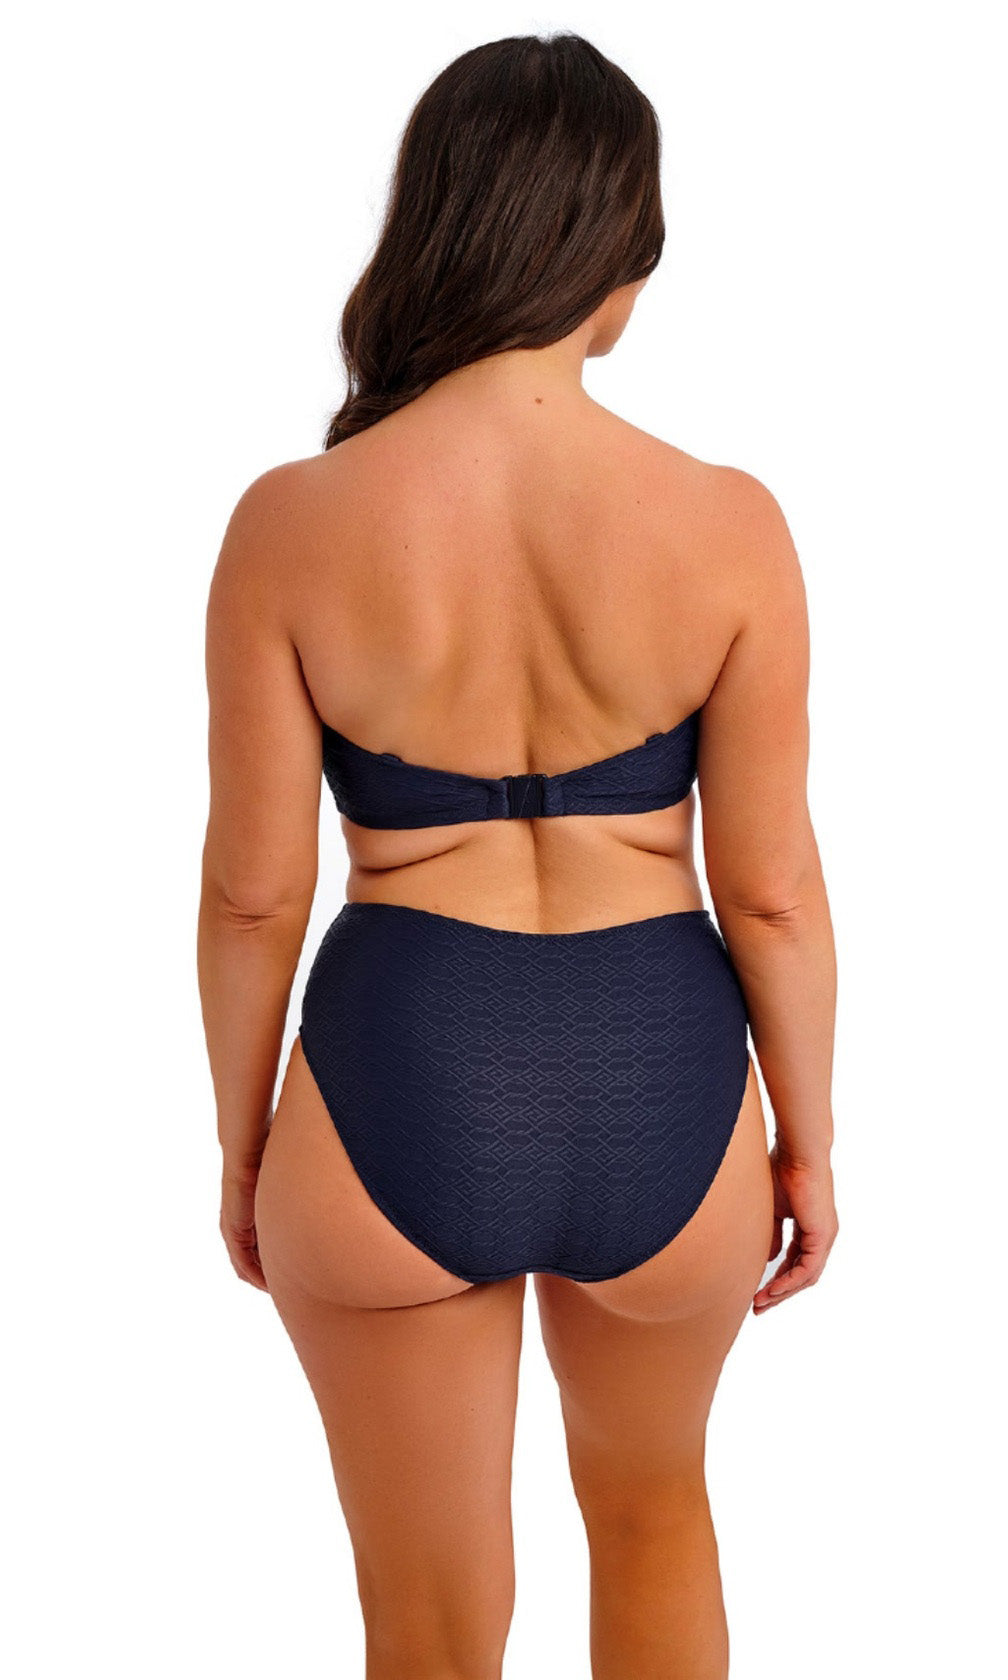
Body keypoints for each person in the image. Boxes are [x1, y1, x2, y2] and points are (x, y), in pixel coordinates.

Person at [197, 29, 838, 1680]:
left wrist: (246, 1144)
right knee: (655, 1519)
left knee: (426, 1623)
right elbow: (771, 889)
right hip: (666, 1074)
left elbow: (255, 894)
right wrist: (809, 1144)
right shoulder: (730, 523)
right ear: (619, 250)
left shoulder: (292, 523)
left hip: (395, 1067)